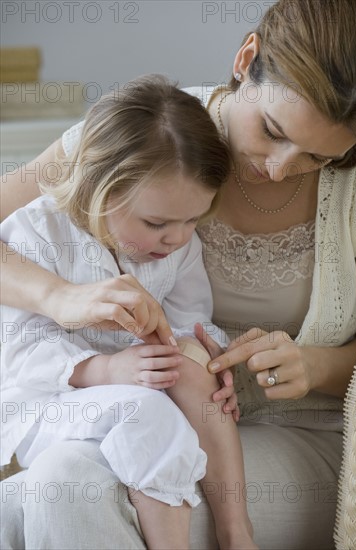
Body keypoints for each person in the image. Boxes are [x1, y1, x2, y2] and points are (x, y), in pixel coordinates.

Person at [1, 0, 356, 548]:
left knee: (66, 489)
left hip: (296, 436)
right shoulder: (143, 131)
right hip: (139, 405)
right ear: (246, 57)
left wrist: (314, 363)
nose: (281, 166)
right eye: (272, 129)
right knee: (56, 483)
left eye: (319, 157)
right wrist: (58, 296)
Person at [1, 76, 257, 550]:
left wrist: (205, 355)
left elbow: (190, 318)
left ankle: (236, 530)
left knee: (189, 372)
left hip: (139, 385)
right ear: (100, 188)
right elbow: (21, 354)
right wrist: (106, 369)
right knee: (146, 413)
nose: (176, 238)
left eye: (192, 220)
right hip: (50, 402)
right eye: (157, 223)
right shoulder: (37, 233)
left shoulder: (178, 248)